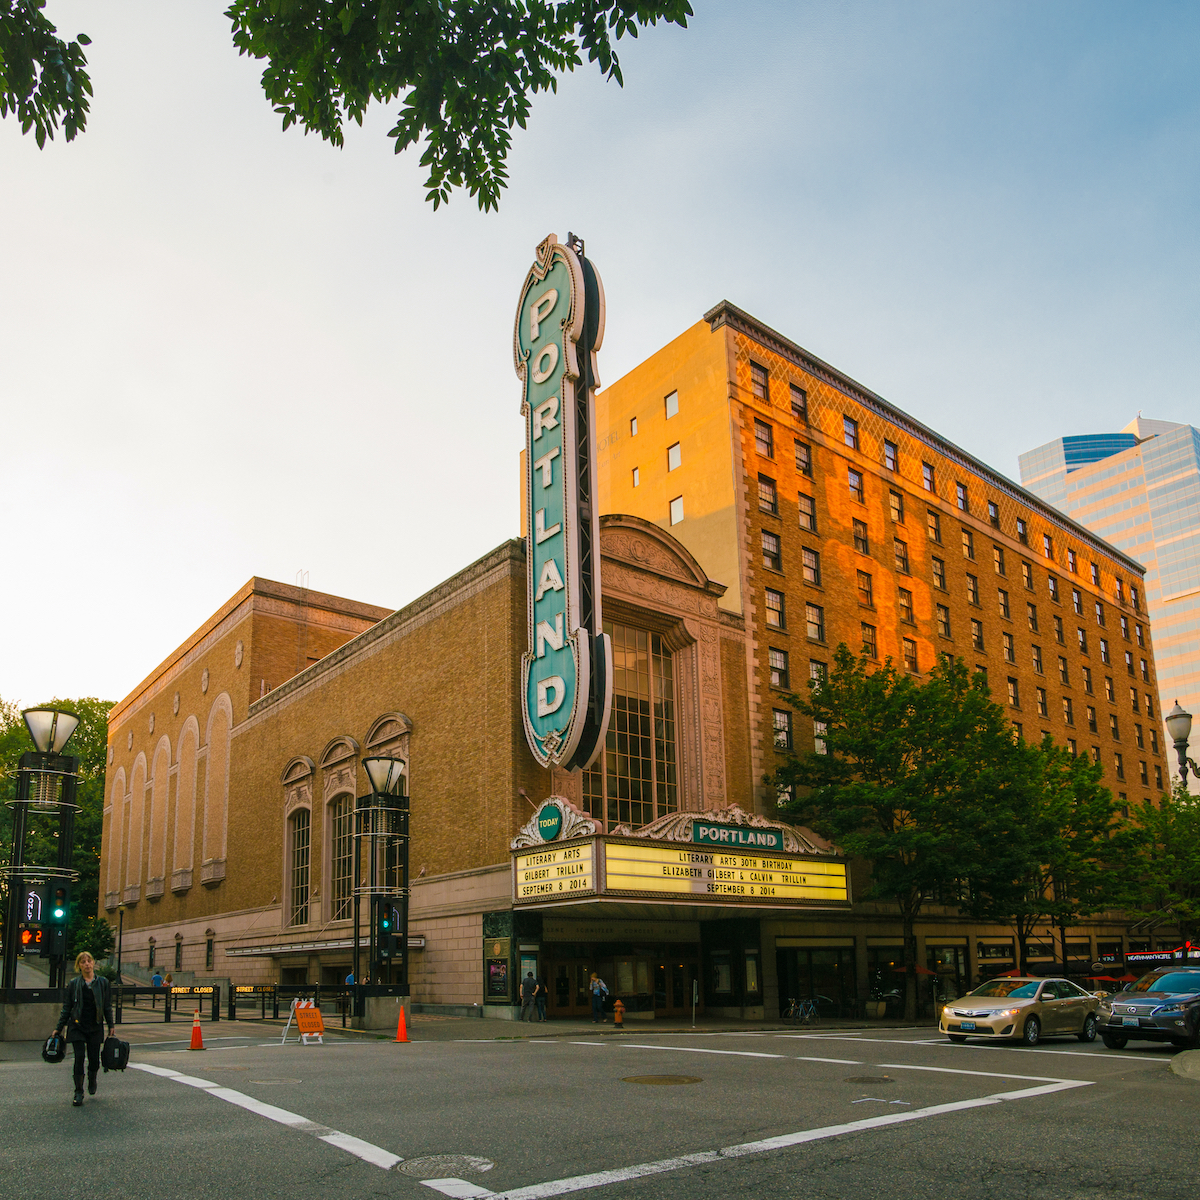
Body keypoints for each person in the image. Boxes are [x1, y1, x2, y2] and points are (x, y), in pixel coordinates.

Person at [55, 952, 115, 1107]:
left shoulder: (103, 983)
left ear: (94, 963)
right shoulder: (74, 984)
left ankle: (92, 1078)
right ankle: (78, 1091)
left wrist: (111, 1025)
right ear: (79, 965)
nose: (87, 964)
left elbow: (107, 1006)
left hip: (95, 1026)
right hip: (77, 1025)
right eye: (83, 962)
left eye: (89, 961)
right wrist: (59, 1028)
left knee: (94, 1059)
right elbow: (67, 1007)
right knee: (79, 1057)